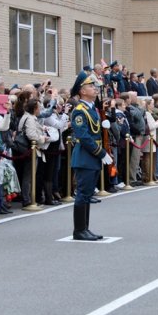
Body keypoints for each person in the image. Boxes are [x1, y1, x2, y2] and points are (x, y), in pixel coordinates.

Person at [69, 70, 113, 241]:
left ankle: (85, 228)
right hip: (85, 157)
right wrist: (101, 153)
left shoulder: (92, 108)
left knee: (87, 195)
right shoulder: (80, 111)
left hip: (92, 158)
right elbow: (84, 136)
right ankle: (79, 230)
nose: (95, 88)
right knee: (82, 194)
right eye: (90, 86)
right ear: (82, 91)